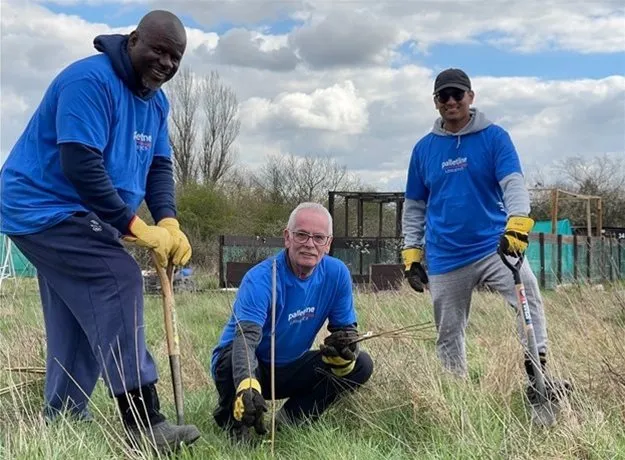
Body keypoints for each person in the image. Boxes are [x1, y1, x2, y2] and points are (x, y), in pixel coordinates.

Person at [0, 10, 200, 453]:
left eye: (176, 57)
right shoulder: (88, 82)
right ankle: (143, 423)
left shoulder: (156, 103)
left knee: (83, 309)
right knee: (116, 280)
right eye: (158, 50)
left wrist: (168, 220)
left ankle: (63, 415)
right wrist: (134, 227)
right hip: (43, 206)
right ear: (133, 41)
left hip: (86, 213)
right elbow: (81, 164)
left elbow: (160, 166)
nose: (165, 63)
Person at [401, 68, 571, 405]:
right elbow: (415, 205)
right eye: (443, 96)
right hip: (445, 255)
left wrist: (518, 223)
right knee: (448, 332)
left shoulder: (495, 138)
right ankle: (456, 397)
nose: (451, 101)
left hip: (494, 247)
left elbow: (513, 184)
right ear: (435, 102)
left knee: (529, 295)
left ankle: (538, 376)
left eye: (457, 94)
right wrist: (411, 251)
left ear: (470, 97)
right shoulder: (423, 150)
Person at [210, 202, 374, 442]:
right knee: (230, 358)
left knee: (361, 365)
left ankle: (292, 418)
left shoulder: (337, 274)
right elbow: (246, 340)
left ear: (328, 244)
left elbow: (346, 330)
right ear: (287, 237)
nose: (310, 244)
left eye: (319, 237)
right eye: (302, 235)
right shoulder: (260, 279)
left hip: (291, 366)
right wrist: (247, 383)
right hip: (246, 364)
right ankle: (234, 420)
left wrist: (345, 351)